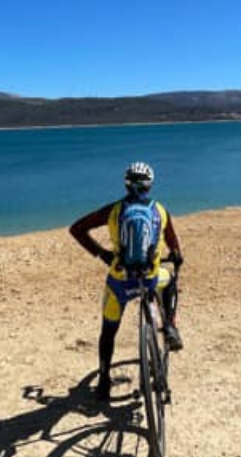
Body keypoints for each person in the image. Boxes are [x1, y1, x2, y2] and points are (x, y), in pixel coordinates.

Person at [70, 161, 184, 401]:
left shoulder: (113, 210)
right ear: (150, 185)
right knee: (170, 278)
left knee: (108, 332)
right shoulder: (160, 210)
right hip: (151, 279)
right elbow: (174, 246)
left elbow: (77, 229)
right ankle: (171, 325)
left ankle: (103, 380)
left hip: (119, 283)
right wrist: (175, 255)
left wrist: (103, 254)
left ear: (126, 183)